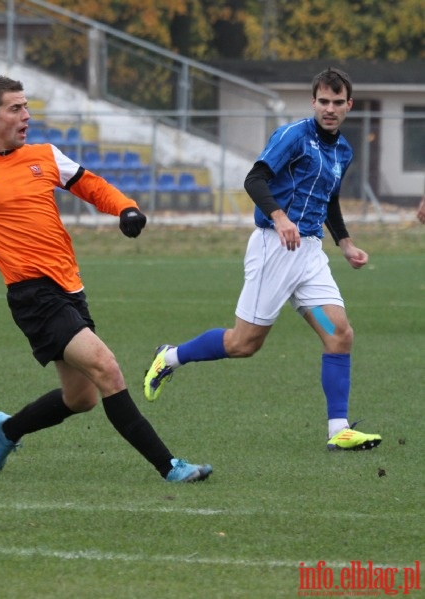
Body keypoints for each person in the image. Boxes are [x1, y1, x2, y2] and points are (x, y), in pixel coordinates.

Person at [0, 76, 212, 483]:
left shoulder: (45, 155)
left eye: (26, 107)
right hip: (32, 296)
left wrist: (124, 208)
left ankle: (9, 429)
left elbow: (90, 185)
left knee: (82, 397)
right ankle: (170, 466)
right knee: (108, 369)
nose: (26, 116)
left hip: (70, 288)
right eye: (15, 109)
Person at [143, 68, 381, 452]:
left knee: (338, 333)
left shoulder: (343, 150)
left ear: (349, 105)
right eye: (324, 101)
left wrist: (346, 244)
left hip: (308, 258)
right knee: (244, 343)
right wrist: (280, 217)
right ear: (313, 102)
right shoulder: (294, 136)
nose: (330, 109)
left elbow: (329, 199)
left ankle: (338, 429)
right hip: (275, 249)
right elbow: (254, 179)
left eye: (338, 103)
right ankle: (170, 357)